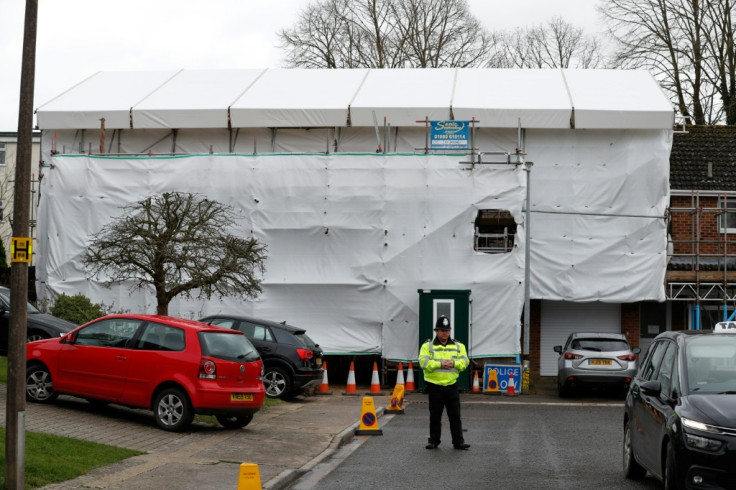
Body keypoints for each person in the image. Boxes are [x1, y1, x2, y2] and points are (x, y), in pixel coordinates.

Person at [419, 315, 470, 450]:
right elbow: (423, 363)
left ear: (450, 331)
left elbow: (465, 362)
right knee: (435, 416)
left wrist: (454, 363)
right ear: (436, 331)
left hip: (451, 385)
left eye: (446, 330)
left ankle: (458, 442)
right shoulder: (427, 346)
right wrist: (440, 364)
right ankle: (434, 441)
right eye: (441, 330)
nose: (444, 333)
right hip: (434, 386)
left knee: (455, 416)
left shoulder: (459, 346)